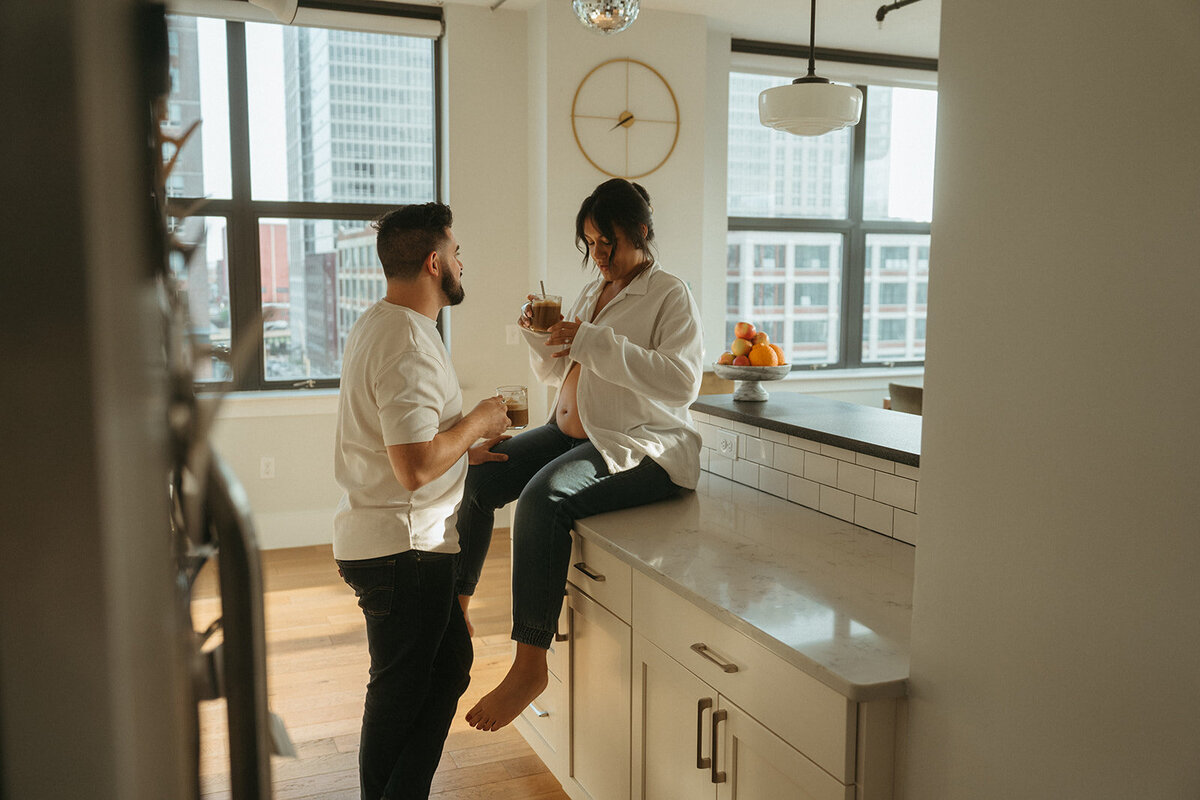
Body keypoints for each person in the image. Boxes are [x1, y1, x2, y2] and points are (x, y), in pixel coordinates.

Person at [456, 178, 704, 732]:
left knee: (543, 500)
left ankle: (529, 666)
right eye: (590, 244)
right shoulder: (597, 291)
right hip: (574, 432)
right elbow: (560, 371)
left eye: (606, 243)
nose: (598, 256)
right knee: (483, 474)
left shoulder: (670, 293)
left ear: (640, 232)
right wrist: (539, 337)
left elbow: (683, 383)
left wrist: (593, 340)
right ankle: (460, 609)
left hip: (639, 445)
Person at [332, 202, 511, 800]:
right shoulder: (407, 341)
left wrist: (464, 451)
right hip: (404, 550)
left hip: (396, 543)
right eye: (457, 253)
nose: (462, 262)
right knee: (401, 692)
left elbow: (409, 444)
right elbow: (412, 467)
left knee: (444, 668)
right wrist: (482, 422)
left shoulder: (382, 323)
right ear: (435, 262)